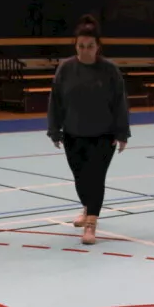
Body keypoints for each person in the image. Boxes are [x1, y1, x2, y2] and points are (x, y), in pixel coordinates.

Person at [46, 14, 130, 246]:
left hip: (104, 135)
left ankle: (91, 223)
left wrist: (122, 132)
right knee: (80, 178)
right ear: (75, 46)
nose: (85, 50)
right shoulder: (65, 69)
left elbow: (120, 102)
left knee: (96, 177)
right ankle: (87, 209)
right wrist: (54, 128)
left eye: (90, 46)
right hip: (73, 134)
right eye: (81, 46)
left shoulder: (110, 71)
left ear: (98, 46)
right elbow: (56, 101)